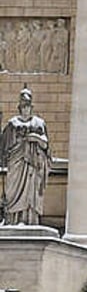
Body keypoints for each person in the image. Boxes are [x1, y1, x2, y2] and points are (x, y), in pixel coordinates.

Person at [0, 88, 51, 226]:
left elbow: (45, 144)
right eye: (23, 105)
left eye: (28, 105)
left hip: (32, 163)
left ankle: (28, 219)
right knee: (12, 190)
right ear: (19, 107)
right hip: (16, 162)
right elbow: (4, 145)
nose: (25, 108)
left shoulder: (39, 123)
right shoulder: (12, 123)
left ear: (31, 106)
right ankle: (12, 219)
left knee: (31, 190)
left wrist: (35, 137)